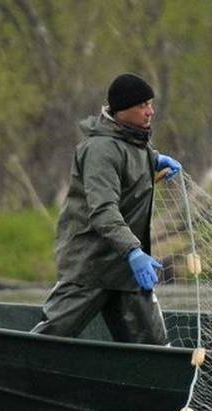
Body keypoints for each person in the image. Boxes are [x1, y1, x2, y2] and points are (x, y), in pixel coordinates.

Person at [31, 73, 182, 344]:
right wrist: (135, 252)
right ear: (122, 110)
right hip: (91, 267)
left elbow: (129, 160)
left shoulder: (136, 142)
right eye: (142, 105)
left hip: (126, 273)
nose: (151, 111)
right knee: (50, 340)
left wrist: (155, 160)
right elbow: (102, 210)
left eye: (150, 103)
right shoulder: (100, 149)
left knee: (154, 351)